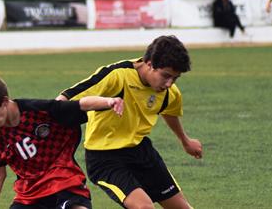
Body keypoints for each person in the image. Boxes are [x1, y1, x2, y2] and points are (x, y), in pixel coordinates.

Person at [56, 35, 203, 209]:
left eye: (175, 78)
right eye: (166, 76)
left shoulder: (170, 92)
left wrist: (185, 140)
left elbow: (169, 111)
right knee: (144, 207)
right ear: (149, 64)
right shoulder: (118, 75)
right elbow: (65, 98)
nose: (170, 83)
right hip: (104, 157)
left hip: (141, 152)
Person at [0, 72, 124, 209]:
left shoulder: (39, 111)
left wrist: (109, 102)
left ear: (5, 102)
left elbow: (80, 105)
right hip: (29, 195)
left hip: (64, 181)